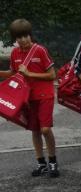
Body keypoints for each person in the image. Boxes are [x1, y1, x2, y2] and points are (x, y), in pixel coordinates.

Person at [0, 19, 59, 177]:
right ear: (15, 39)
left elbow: (52, 75)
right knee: (34, 130)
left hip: (45, 95)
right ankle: (41, 163)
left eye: (25, 36)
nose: (23, 40)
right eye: (19, 37)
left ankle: (53, 162)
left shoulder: (40, 50)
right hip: (26, 97)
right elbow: (13, 73)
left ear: (30, 35)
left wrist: (29, 73)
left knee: (45, 129)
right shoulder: (14, 53)